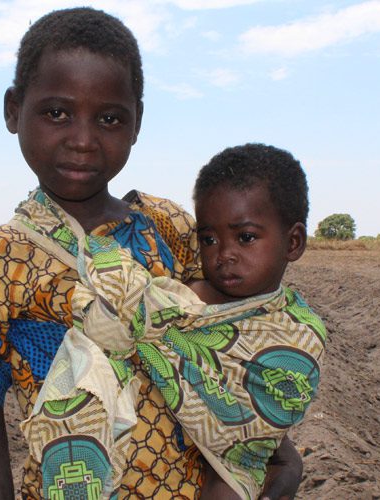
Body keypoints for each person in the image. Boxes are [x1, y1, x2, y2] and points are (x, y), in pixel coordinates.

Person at [0, 7, 303, 499]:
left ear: (136, 123)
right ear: (14, 110)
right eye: (56, 113)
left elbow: (231, 351)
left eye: (109, 119)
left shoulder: (170, 229)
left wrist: (283, 463)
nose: (82, 140)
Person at [20, 143, 326, 499]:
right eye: (209, 239)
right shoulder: (184, 294)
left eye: (245, 238)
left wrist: (283, 462)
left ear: (293, 242)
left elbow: (275, 406)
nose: (224, 253)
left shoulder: (297, 327)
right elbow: (141, 316)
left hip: (237, 465)